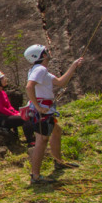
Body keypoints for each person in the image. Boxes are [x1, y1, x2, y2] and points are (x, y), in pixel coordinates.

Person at [23, 44, 84, 184]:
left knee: (56, 131)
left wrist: (74, 66)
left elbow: (60, 82)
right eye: (46, 51)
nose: (48, 53)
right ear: (42, 55)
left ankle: (58, 161)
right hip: (42, 111)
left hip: (45, 110)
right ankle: (35, 176)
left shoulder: (40, 70)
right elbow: (29, 86)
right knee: (42, 140)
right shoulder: (39, 69)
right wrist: (38, 107)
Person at [0, 70, 32, 146]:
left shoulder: (1, 92)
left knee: (26, 116)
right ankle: (30, 141)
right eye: (2, 78)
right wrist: (16, 115)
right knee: (24, 119)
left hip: (3, 116)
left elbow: (9, 107)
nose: (5, 79)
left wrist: (16, 113)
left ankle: (30, 139)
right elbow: (1, 109)